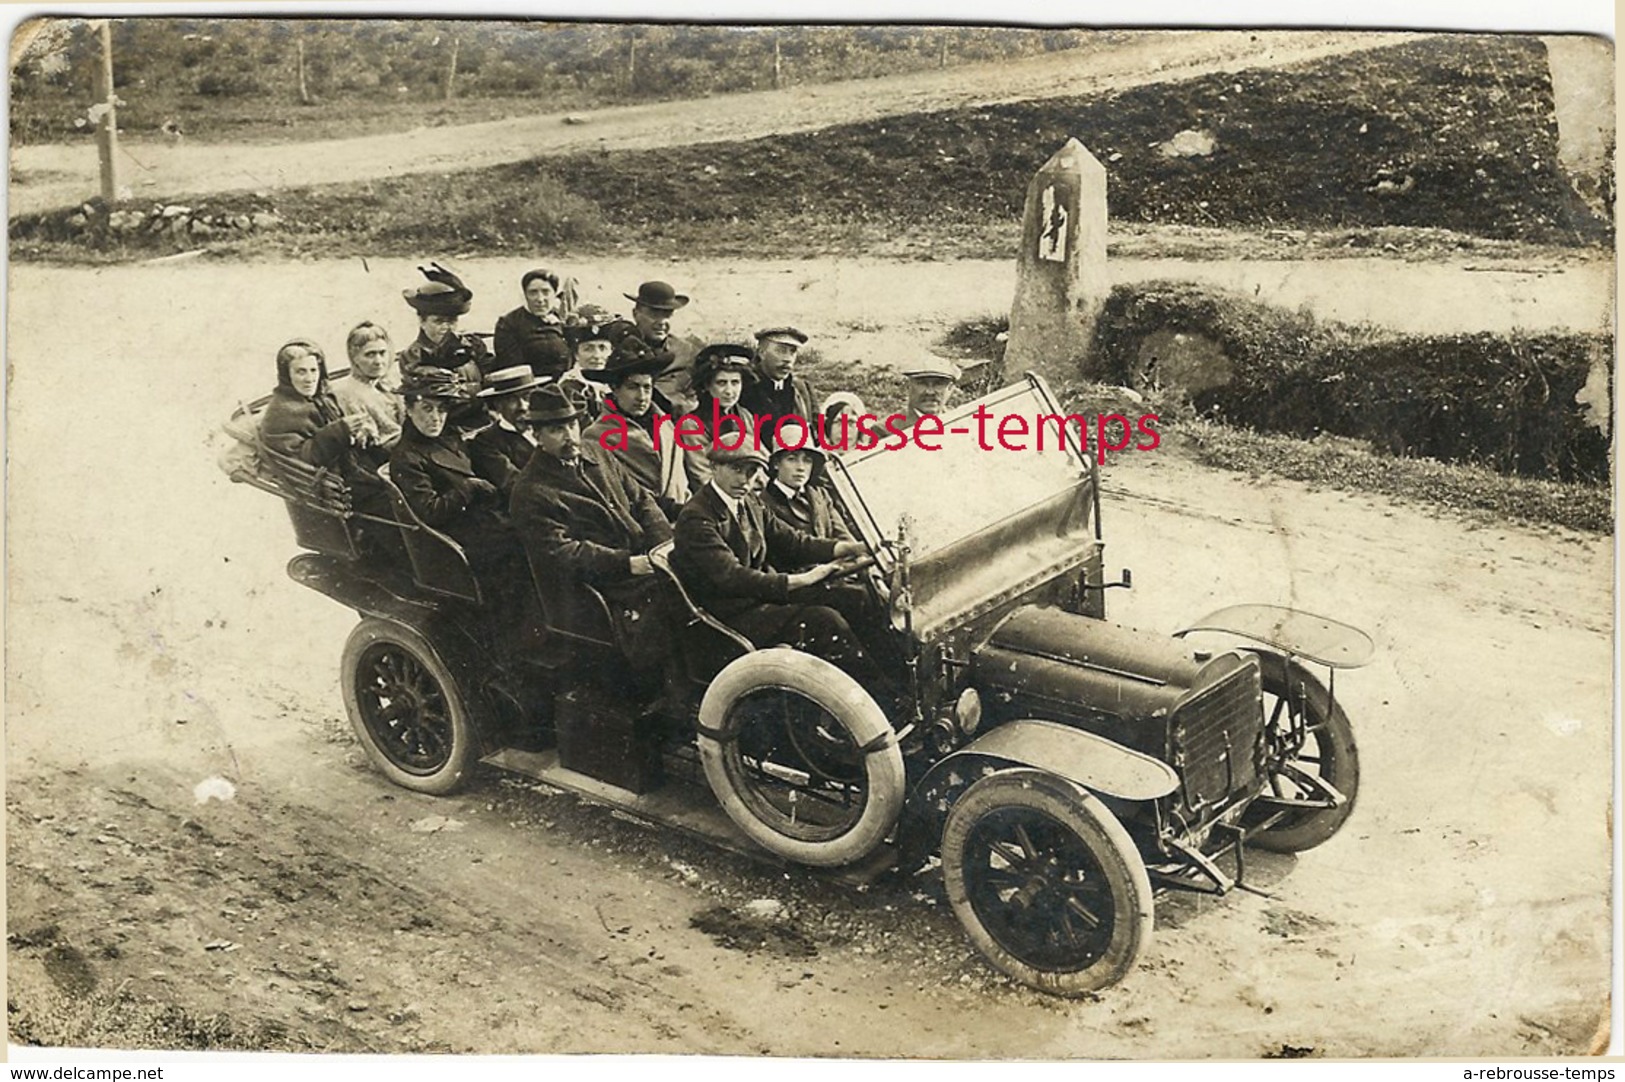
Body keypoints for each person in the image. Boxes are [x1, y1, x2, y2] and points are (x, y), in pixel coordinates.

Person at [671, 444, 879, 682]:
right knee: (825, 620)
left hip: (757, 598)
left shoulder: (749, 501)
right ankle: (874, 698)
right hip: (730, 614)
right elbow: (732, 576)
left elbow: (793, 541)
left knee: (856, 598)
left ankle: (892, 683)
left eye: (751, 472)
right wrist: (802, 579)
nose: (745, 480)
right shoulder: (697, 516)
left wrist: (850, 547)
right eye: (737, 469)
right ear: (714, 467)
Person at [509, 383, 675, 670]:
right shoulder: (531, 491)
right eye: (556, 430)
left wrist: (662, 545)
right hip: (602, 583)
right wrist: (628, 564)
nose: (570, 436)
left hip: (646, 561)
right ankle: (661, 686)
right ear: (537, 436)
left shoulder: (597, 454)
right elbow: (562, 553)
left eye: (572, 425)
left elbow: (642, 501)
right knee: (673, 606)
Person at [388, 368, 521, 585]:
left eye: (441, 410)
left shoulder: (450, 435)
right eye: (426, 409)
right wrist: (468, 488)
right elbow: (430, 512)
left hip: (486, 518)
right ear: (409, 410)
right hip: (459, 533)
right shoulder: (406, 457)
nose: (435, 418)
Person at [583, 339, 690, 518]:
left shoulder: (666, 426)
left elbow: (680, 481)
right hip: (638, 525)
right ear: (614, 389)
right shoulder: (596, 436)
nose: (642, 396)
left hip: (683, 520)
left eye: (647, 388)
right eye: (632, 387)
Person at [397, 262, 490, 390]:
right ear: (422, 322)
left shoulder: (473, 344)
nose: (446, 327)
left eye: (452, 321)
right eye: (438, 321)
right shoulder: (412, 356)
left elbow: (490, 376)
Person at [682, 344, 759, 490]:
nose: (729, 391)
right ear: (707, 385)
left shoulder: (745, 417)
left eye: (735, 383)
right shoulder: (693, 425)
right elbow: (702, 476)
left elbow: (760, 460)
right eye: (721, 383)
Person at [760, 420, 852, 542]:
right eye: (792, 459)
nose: (801, 467)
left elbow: (843, 536)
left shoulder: (820, 495)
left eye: (807, 460)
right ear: (776, 463)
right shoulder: (765, 503)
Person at [623, 280, 703, 414]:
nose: (661, 322)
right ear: (635, 314)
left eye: (667, 315)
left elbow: (697, 395)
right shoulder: (621, 350)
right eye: (654, 315)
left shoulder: (686, 351)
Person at [468, 365, 544, 497]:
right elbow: (515, 484)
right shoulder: (486, 442)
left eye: (527, 397)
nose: (523, 406)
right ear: (498, 405)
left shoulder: (548, 427)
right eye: (512, 399)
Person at [330, 321, 405, 449]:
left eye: (382, 353)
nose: (378, 361)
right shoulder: (346, 394)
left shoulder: (392, 384)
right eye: (370, 354)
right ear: (354, 358)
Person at [739, 326, 816, 448]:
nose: (787, 359)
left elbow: (817, 433)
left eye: (792, 351)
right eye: (781, 351)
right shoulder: (744, 388)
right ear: (761, 353)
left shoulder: (802, 389)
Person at [493, 268, 572, 381]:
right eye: (533, 292)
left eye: (546, 292)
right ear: (525, 295)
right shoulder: (509, 323)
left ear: (554, 294)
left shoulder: (562, 318)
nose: (540, 299)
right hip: (531, 387)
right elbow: (513, 369)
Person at [899, 356, 962, 428]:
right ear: (907, 387)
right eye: (922, 384)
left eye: (938, 384)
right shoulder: (888, 430)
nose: (930, 392)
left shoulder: (959, 423)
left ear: (950, 388)